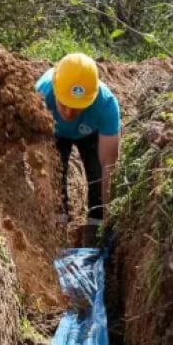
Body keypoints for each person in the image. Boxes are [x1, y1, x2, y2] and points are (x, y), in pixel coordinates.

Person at [35, 53, 121, 248]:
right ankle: (59, 231)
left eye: (77, 108)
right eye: (64, 104)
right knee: (55, 176)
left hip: (90, 133)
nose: (69, 113)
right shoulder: (41, 96)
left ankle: (95, 230)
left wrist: (107, 219)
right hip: (54, 133)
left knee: (97, 174)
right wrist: (49, 212)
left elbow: (109, 165)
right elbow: (38, 162)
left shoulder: (106, 105)